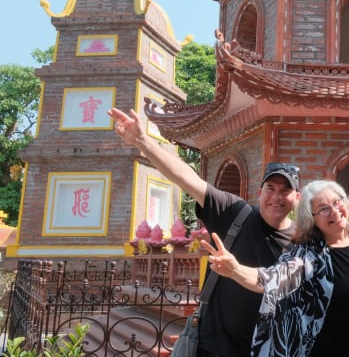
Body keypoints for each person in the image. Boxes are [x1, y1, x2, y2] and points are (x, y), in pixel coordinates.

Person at [108, 108, 301, 357]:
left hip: (270, 350)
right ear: (260, 190)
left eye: (285, 191)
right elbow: (186, 178)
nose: (276, 197)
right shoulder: (235, 213)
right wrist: (142, 141)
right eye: (271, 188)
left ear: (297, 197)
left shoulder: (302, 240)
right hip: (213, 347)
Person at [202, 179, 349, 357]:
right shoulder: (308, 256)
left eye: (336, 201)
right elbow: (273, 279)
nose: (334, 211)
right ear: (312, 219)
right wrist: (235, 270)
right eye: (323, 209)